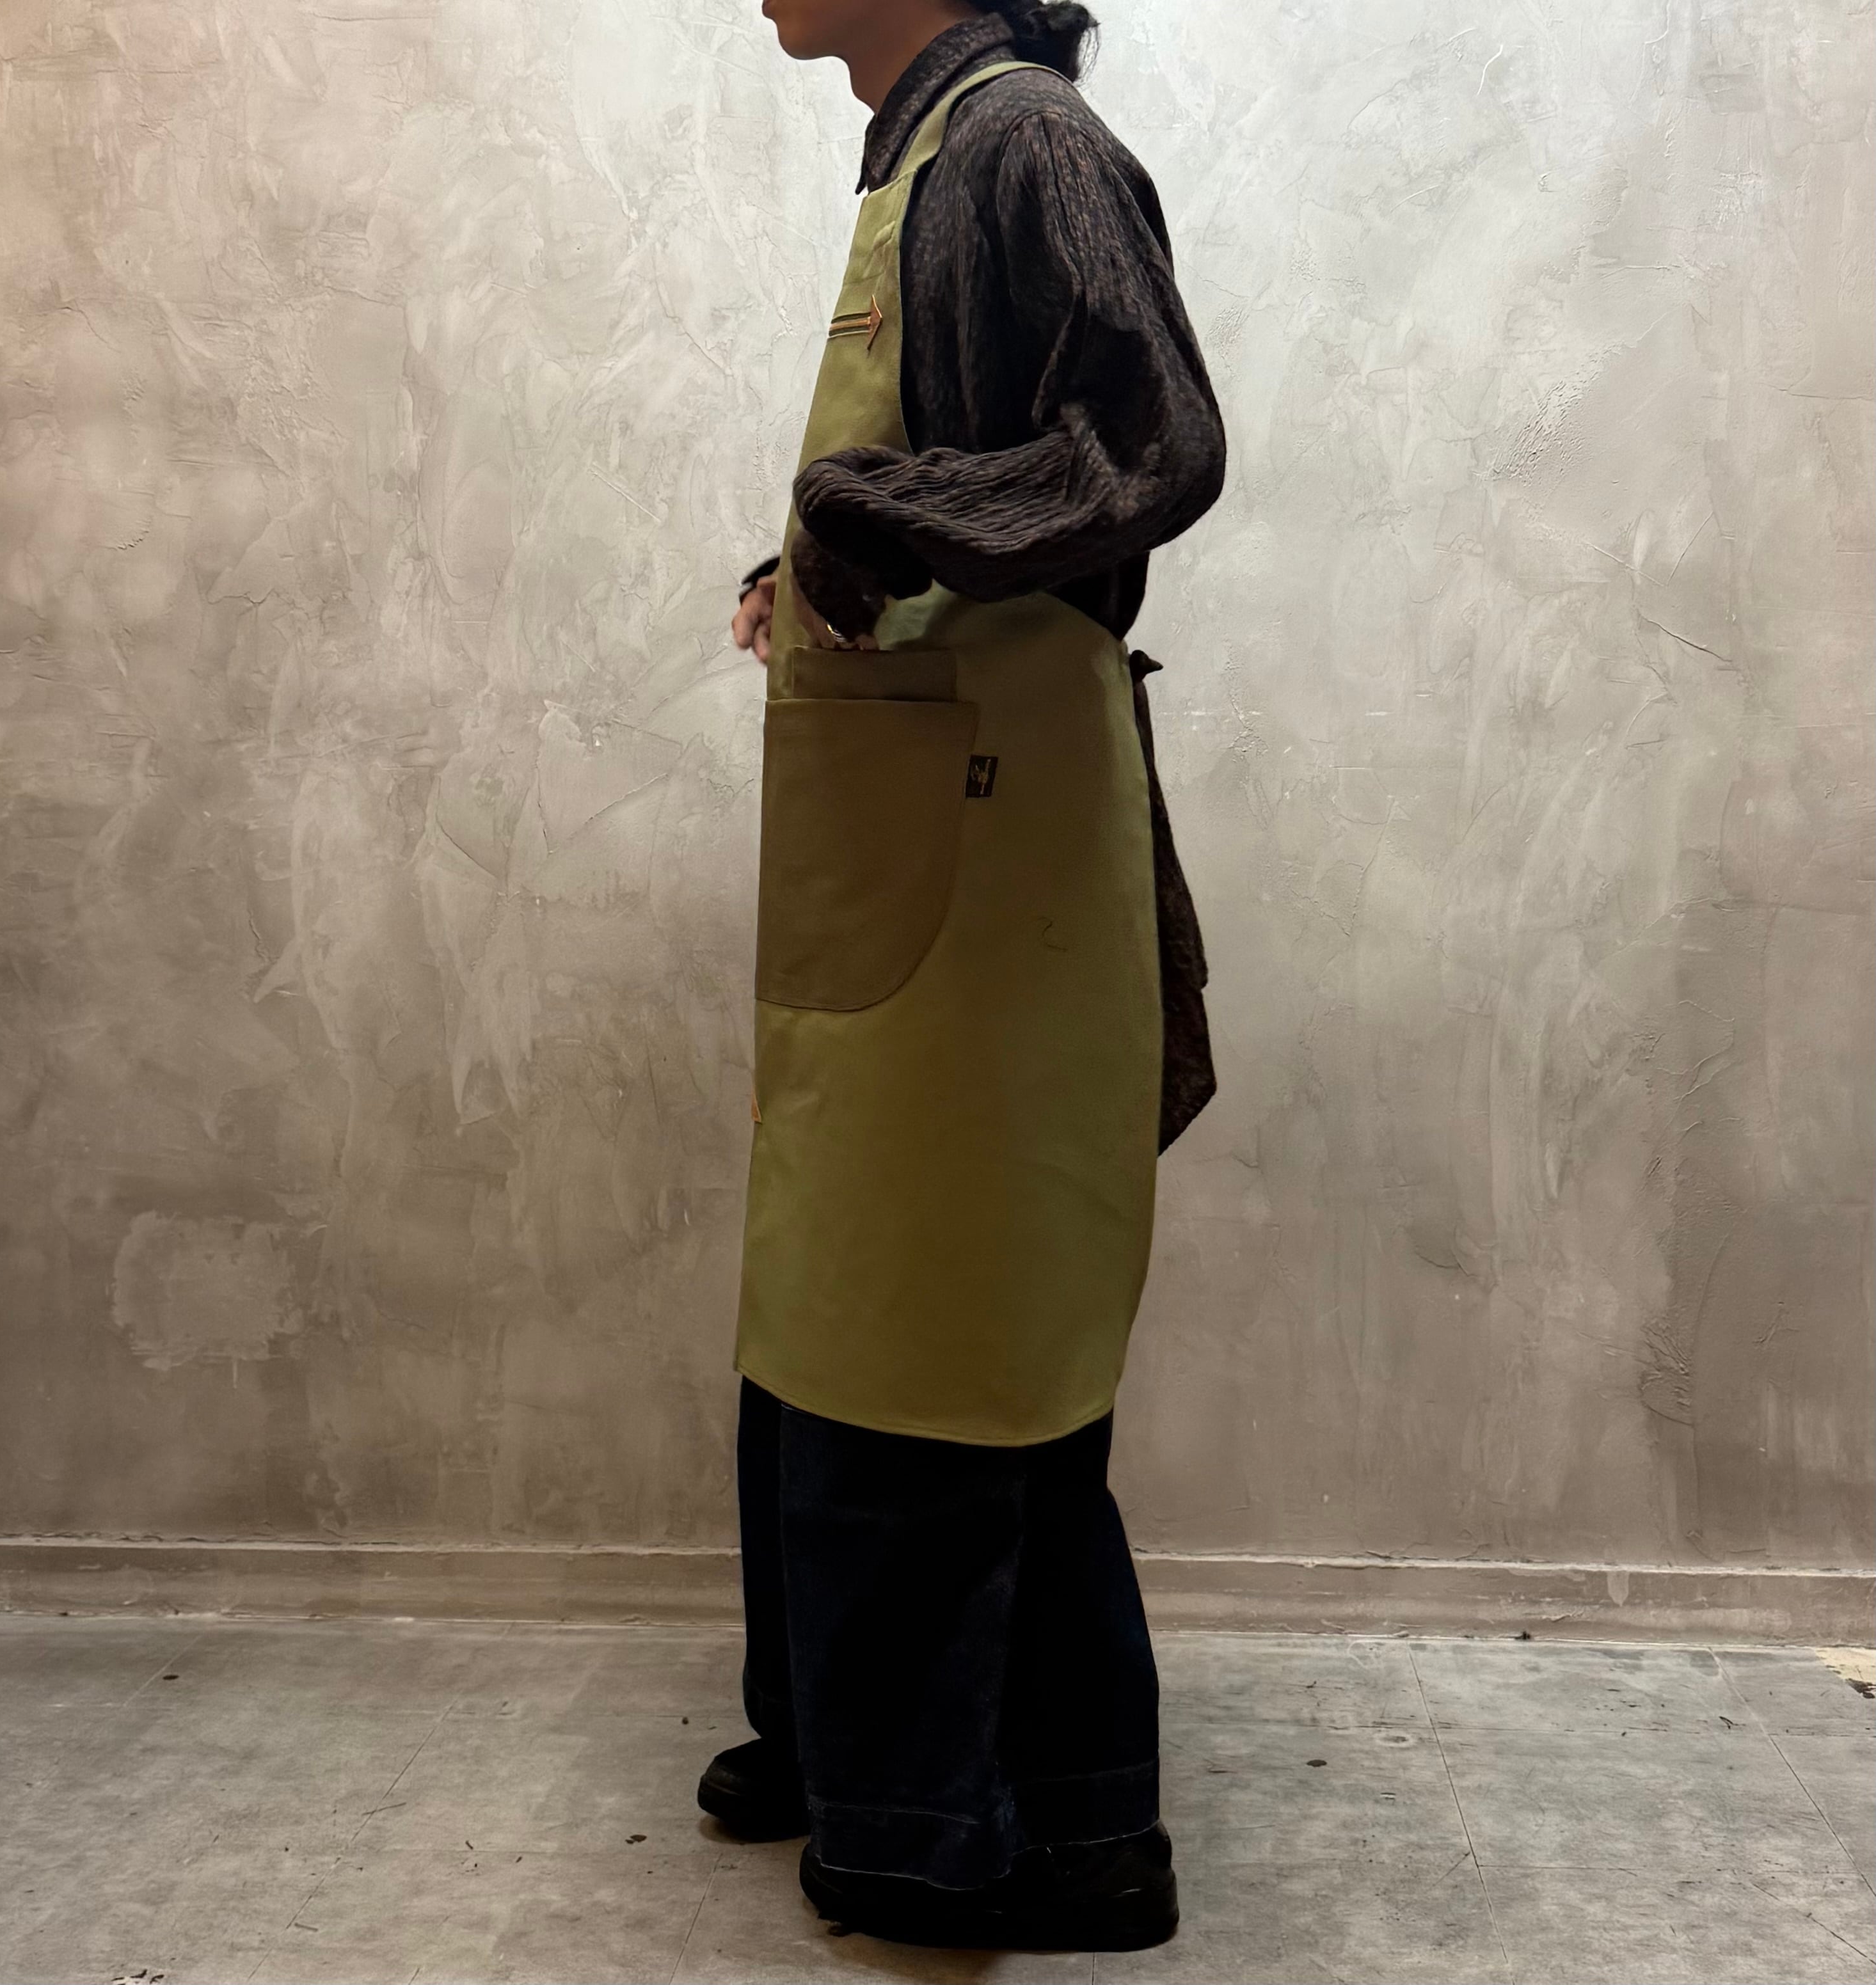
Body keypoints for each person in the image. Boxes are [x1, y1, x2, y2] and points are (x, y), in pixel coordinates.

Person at [700, 0, 1227, 1952]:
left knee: (952, 1351)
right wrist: (817, 570)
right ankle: (864, 1753)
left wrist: (869, 513)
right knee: (847, 1320)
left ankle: (1007, 1829)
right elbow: (993, 486)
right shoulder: (924, 154)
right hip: (911, 857)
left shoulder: (1020, 146)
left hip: (990, 871)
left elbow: (1151, 445)